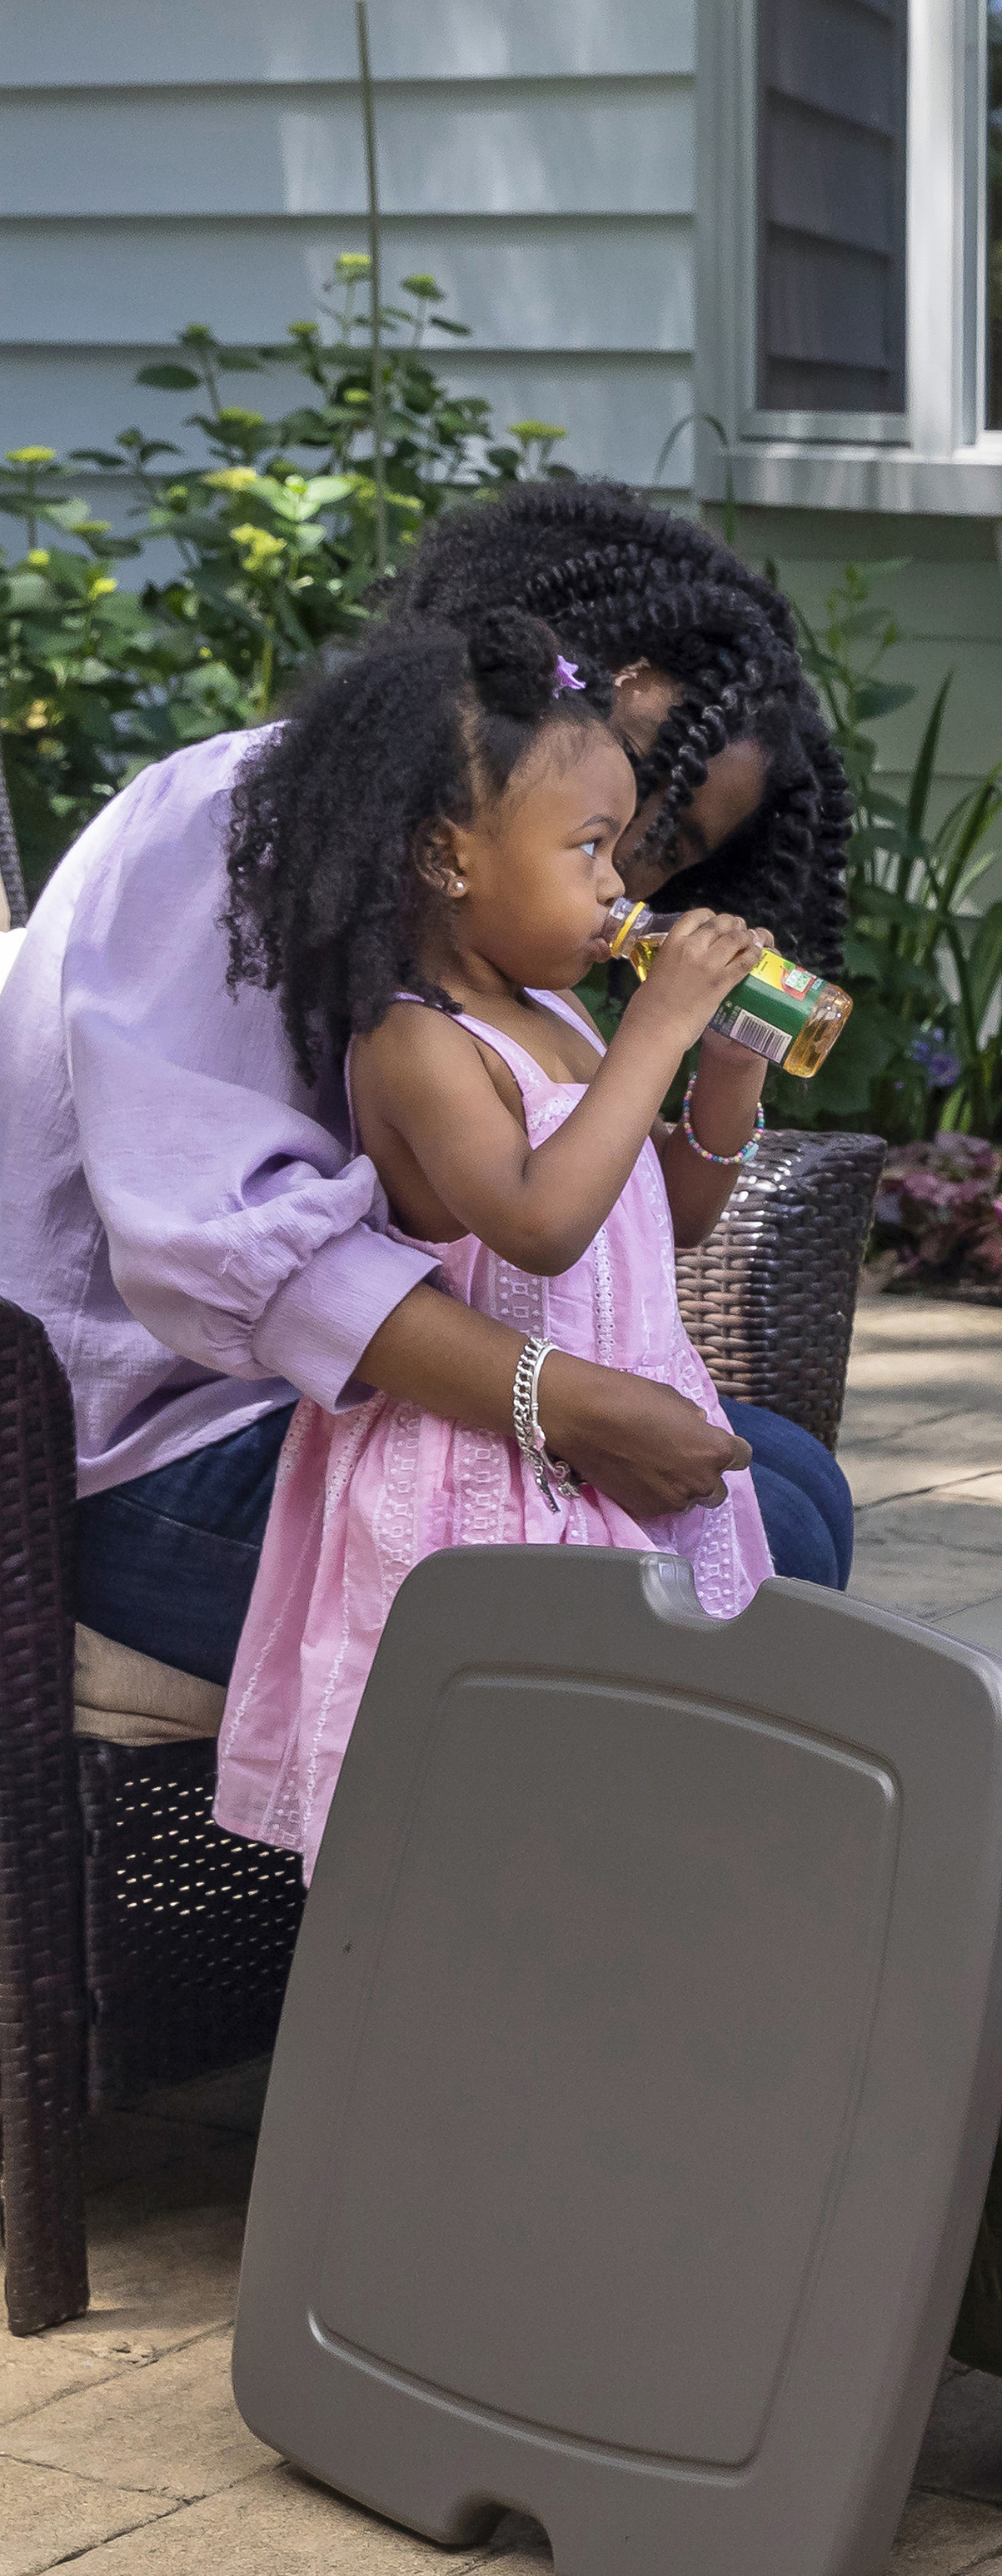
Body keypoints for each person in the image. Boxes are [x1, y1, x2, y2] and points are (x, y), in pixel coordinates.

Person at [0, 481, 857, 1690]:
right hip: (150, 1458)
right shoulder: (234, 825)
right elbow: (240, 1251)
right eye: (623, 820)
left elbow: (591, 1220)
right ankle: (544, 1872)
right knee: (750, 1563)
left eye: (663, 852)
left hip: (356, 1411)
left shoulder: (505, 966)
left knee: (785, 1487)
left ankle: (628, 1862)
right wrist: (562, 1404)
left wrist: (719, 1081)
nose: (632, 886)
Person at [212, 614, 780, 1871]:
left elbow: (661, 1217)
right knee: (498, 1817)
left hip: (610, 1436)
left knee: (637, 1790)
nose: (621, 888)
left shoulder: (558, 1011)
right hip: (488, 1478)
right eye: (588, 851)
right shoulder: (417, 1042)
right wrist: (659, 1032)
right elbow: (535, 1228)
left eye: (622, 852)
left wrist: (723, 1086)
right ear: (446, 858)